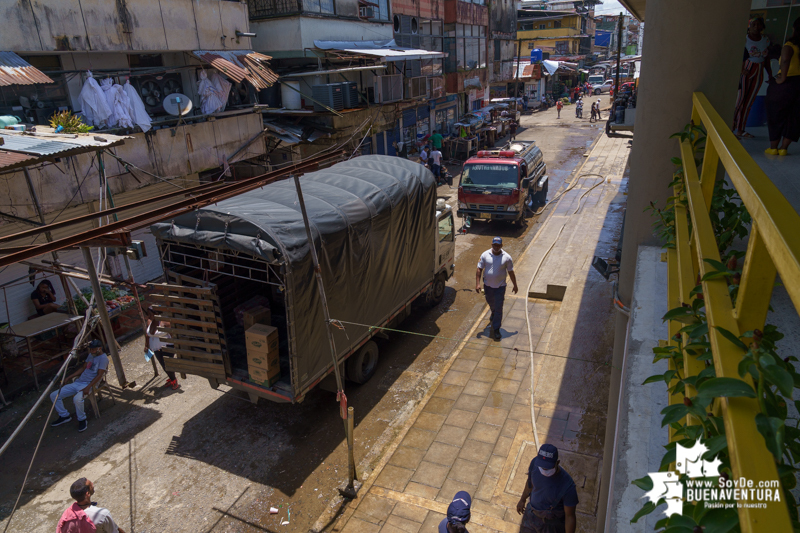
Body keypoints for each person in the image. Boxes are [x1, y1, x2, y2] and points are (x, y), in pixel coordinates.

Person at [516, 444, 578, 533]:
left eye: (548, 467)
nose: (544, 469)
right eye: (542, 466)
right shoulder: (535, 464)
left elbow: (570, 516)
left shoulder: (567, 486)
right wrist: (522, 499)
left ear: (557, 463)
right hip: (531, 516)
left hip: (551, 526)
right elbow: (530, 483)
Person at [50, 339, 108, 432]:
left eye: (93, 349)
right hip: (79, 382)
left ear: (99, 348)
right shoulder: (91, 355)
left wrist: (88, 387)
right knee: (54, 395)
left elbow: (99, 375)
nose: (91, 351)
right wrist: (69, 377)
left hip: (89, 384)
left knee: (77, 399)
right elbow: (83, 368)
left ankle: (82, 419)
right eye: (90, 349)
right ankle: (64, 416)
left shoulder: (104, 359)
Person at [734, 17, 773, 139]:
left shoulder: (765, 40)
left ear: (762, 27)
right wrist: (741, 70)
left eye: (759, 24)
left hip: (759, 69)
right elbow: (737, 55)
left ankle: (741, 129)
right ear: (749, 26)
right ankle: (730, 128)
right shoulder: (744, 39)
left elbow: (766, 58)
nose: (756, 27)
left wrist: (770, 74)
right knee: (739, 100)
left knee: (749, 102)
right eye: (753, 24)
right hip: (746, 69)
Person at [766, 17, 800, 156]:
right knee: (795, 116)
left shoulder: (790, 45)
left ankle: (774, 148)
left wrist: (782, 78)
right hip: (799, 84)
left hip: (787, 83)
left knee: (775, 113)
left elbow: (785, 60)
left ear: (794, 28)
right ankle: (784, 148)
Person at [476, 237, 518, 341]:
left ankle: (496, 329)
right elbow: (479, 269)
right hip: (488, 286)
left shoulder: (507, 257)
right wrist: (477, 283)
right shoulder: (484, 255)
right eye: (494, 245)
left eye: (498, 245)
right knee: (491, 303)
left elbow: (511, 272)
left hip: (500, 287)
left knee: (499, 307)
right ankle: (493, 312)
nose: (496, 247)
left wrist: (515, 285)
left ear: (501, 246)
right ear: (491, 244)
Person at [57, 478, 127, 533]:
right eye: (91, 485)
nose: (93, 484)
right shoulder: (101, 514)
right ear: (87, 494)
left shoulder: (67, 515)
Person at [145, 306, 179, 390]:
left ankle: (174, 380)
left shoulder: (165, 322)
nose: (148, 316)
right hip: (156, 349)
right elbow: (147, 335)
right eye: (148, 314)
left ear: (156, 313)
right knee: (163, 365)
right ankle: (171, 379)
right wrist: (146, 345)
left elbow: (172, 334)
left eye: (150, 314)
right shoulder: (149, 322)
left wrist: (177, 347)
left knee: (167, 364)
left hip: (167, 347)